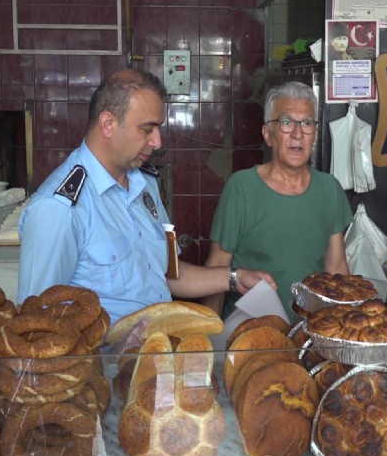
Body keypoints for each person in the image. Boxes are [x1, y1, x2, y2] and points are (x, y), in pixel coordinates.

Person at [17, 68, 276, 325]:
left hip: (156, 355)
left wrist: (234, 277)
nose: (158, 142)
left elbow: (166, 272)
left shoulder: (144, 183)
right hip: (105, 365)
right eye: (147, 129)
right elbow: (35, 324)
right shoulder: (58, 209)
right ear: (108, 124)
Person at [204, 81, 353, 321]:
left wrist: (347, 331)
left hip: (308, 333)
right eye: (286, 123)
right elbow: (217, 268)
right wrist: (210, 342)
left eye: (306, 123)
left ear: (314, 133)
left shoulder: (329, 189)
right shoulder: (241, 188)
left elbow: (336, 268)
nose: (297, 134)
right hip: (249, 335)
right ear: (268, 135)